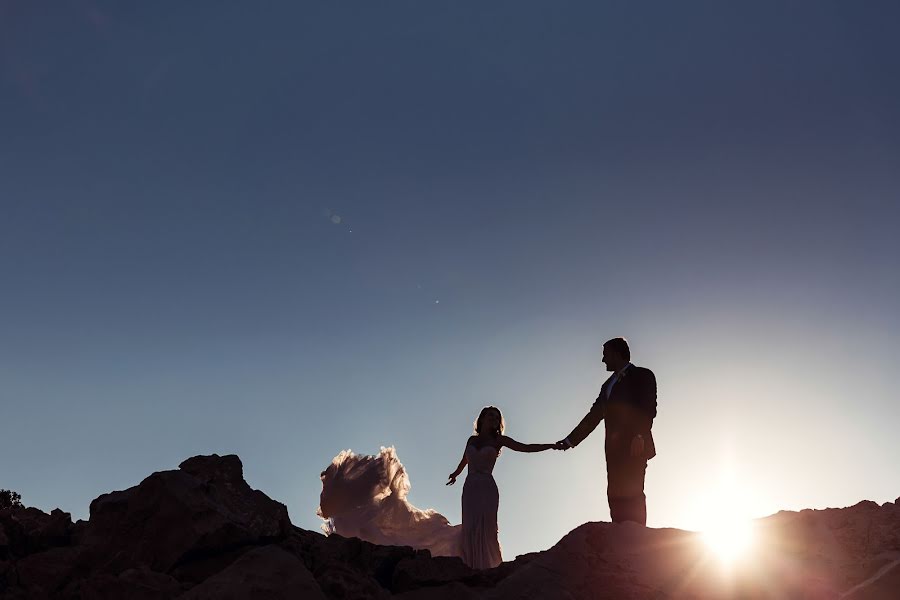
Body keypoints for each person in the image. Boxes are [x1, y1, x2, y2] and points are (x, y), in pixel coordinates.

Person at [557, 337, 657, 525]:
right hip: (613, 451)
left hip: (635, 445)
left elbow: (647, 408)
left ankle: (637, 539)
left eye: (605, 354)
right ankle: (618, 538)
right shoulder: (607, 386)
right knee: (615, 494)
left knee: (633, 491)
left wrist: (639, 435)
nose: (603, 360)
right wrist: (570, 441)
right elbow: (593, 416)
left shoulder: (643, 375)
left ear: (617, 353)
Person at [446, 406, 557, 569]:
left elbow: (525, 447)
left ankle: (488, 568)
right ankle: (469, 566)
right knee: (470, 526)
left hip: (487, 488)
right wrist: (456, 473)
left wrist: (550, 446)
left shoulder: (499, 440)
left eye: (497, 417)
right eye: (491, 415)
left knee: (487, 528)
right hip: (469, 488)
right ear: (482, 418)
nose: (494, 419)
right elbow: (465, 459)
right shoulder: (471, 440)